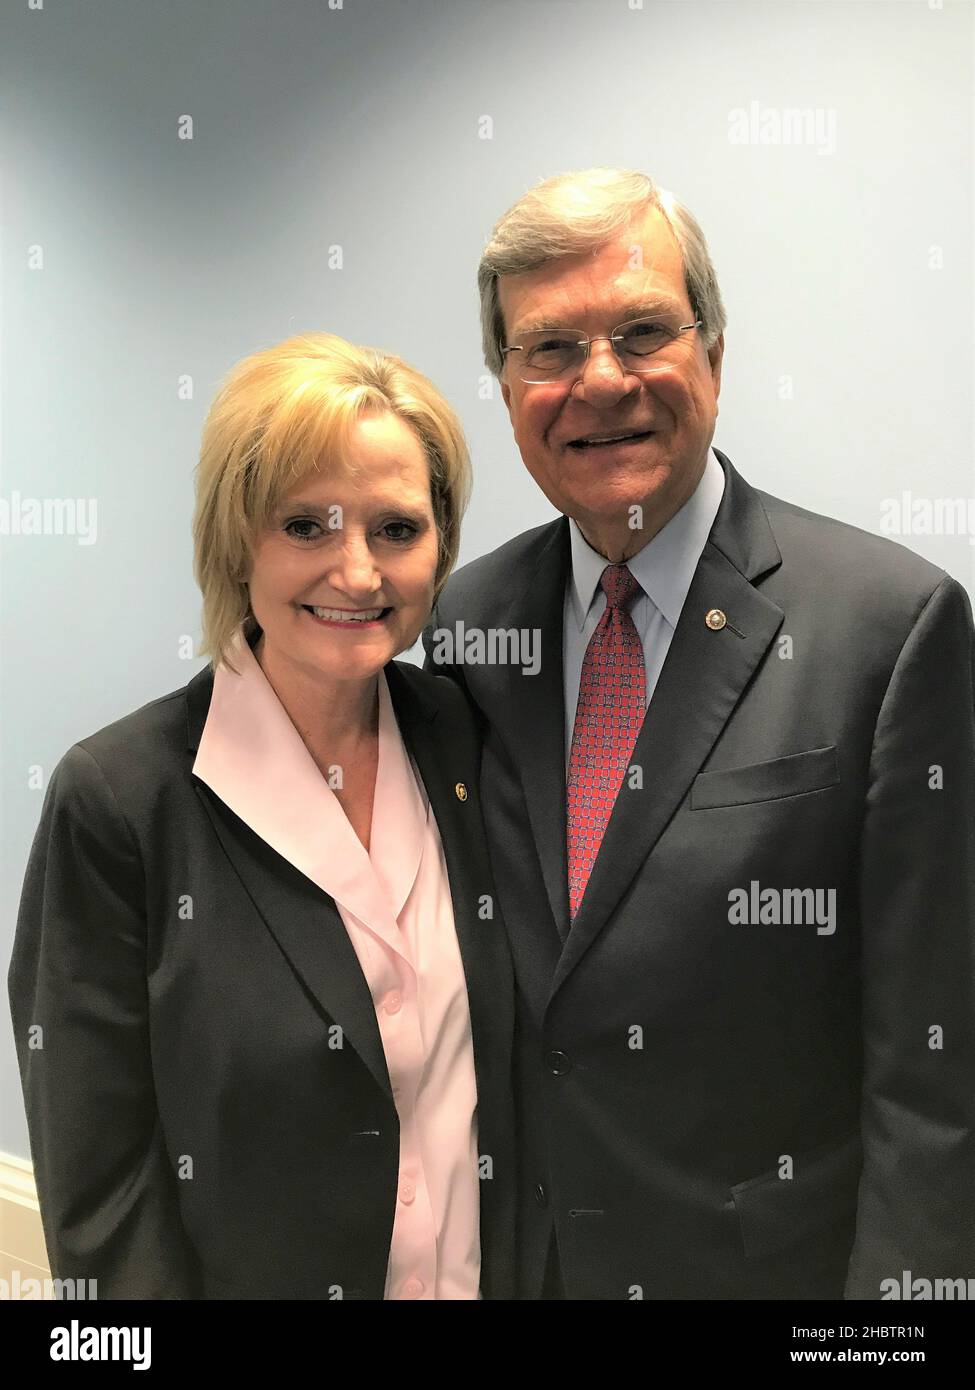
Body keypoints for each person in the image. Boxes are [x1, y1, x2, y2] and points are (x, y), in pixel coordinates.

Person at [423, 167, 975, 1300]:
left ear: (714, 356)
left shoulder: (891, 627)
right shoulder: (466, 626)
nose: (601, 381)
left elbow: (935, 1070)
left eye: (641, 331)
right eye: (549, 348)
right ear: (507, 383)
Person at [8, 332, 516, 1300]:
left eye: (396, 529)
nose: (358, 572)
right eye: (307, 525)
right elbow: (100, 1186)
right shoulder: (121, 798)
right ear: (237, 537)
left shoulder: (469, 742)